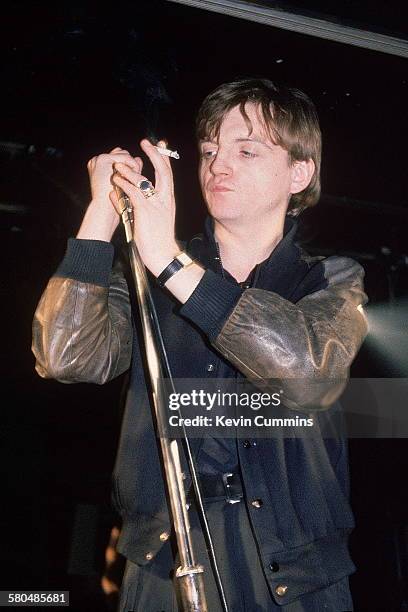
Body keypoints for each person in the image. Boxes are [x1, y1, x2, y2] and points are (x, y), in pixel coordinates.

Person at [32, 78, 368, 611]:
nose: (218, 165)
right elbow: (67, 356)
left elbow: (307, 373)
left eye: (246, 149)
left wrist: (170, 261)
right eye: (210, 150)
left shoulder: (332, 280)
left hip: (296, 577)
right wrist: (101, 213)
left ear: (299, 173)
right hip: (164, 564)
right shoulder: (149, 270)